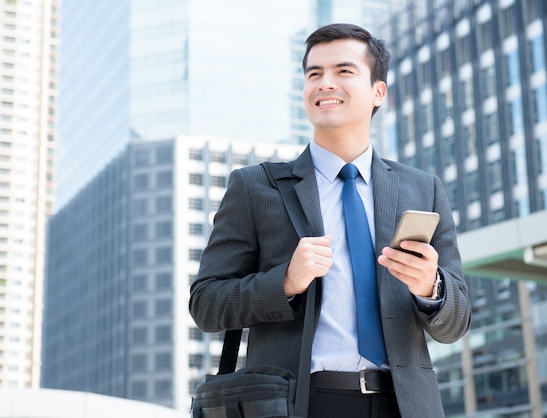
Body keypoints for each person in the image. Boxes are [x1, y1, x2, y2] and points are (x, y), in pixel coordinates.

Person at [189, 23, 471, 418]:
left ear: (378, 91)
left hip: (405, 404)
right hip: (300, 402)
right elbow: (206, 305)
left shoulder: (423, 189)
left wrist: (430, 287)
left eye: (343, 71)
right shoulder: (255, 187)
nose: (325, 84)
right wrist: (285, 282)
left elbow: (456, 324)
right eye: (313, 74)